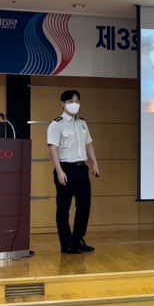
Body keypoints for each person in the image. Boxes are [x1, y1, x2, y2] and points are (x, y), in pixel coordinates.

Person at [46, 89, 100, 254]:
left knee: (84, 206)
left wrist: (94, 163)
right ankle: (66, 244)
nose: (74, 104)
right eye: (70, 101)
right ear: (63, 104)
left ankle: (78, 239)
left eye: (77, 101)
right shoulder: (56, 124)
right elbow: (53, 149)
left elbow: (89, 144)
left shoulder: (82, 123)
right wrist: (59, 171)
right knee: (64, 209)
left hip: (81, 169)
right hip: (65, 169)